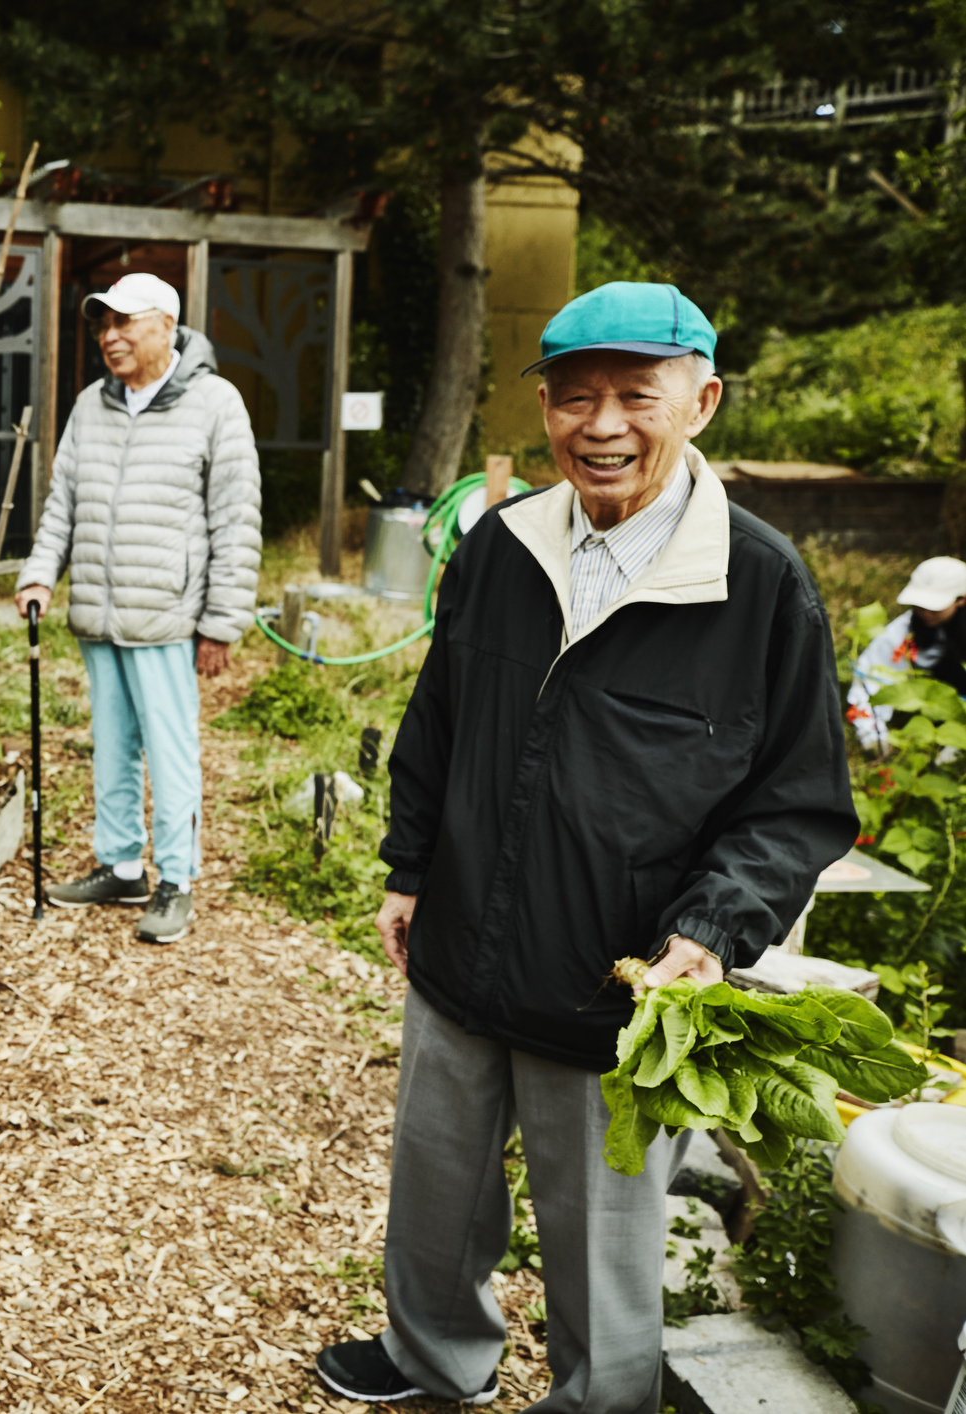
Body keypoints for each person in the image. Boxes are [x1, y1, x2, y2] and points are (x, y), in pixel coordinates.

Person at [317, 282, 856, 1411]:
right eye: (573, 399)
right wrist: (409, 866)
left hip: (617, 986)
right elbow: (440, 721)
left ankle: (597, 1401)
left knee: (604, 1240)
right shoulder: (504, 545)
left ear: (701, 401)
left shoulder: (758, 585)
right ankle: (431, 1357)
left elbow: (797, 806)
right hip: (463, 942)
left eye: (632, 396)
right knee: (436, 1189)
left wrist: (710, 930)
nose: (600, 425)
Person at [14, 271, 261, 944]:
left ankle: (175, 879)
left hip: (166, 614)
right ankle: (121, 866)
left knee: (170, 751)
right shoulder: (91, 404)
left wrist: (220, 622)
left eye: (123, 322)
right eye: (102, 325)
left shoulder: (214, 403)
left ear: (165, 325)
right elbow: (63, 501)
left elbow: (235, 520)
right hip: (99, 609)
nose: (109, 337)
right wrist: (40, 574)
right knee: (112, 745)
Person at [845, 555, 966, 750]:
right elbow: (868, 680)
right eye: (920, 605)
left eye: (934, 607)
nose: (925, 613)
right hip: (936, 704)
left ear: (961, 600)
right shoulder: (902, 633)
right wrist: (873, 737)